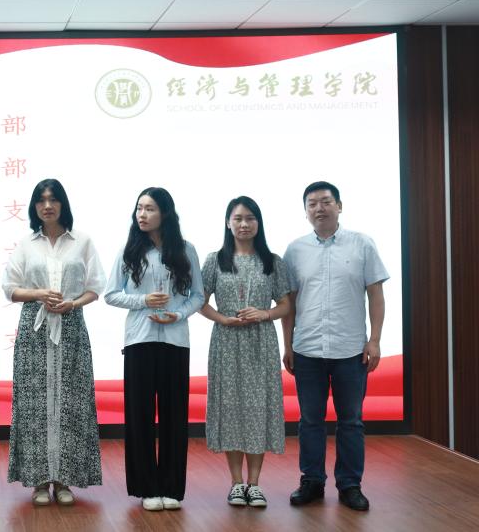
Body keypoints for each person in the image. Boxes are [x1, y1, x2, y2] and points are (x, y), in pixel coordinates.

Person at [282, 181, 387, 512]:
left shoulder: (362, 244)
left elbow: (376, 295)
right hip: (307, 350)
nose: (319, 208)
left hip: (351, 350)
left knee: (351, 421)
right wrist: (288, 345)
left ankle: (350, 484)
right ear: (305, 212)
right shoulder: (295, 250)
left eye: (326, 201)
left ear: (339, 206)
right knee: (310, 420)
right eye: (312, 203)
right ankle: (312, 481)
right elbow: (289, 303)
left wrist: (374, 340)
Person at [3, 179, 105, 506]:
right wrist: (39, 294)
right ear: (34, 207)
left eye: (53, 199)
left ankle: (63, 480)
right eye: (41, 200)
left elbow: (95, 286)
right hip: (34, 329)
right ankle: (38, 480)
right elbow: (10, 288)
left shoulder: (82, 241)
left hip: (71, 326)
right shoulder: (26, 244)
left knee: (71, 402)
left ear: (63, 204)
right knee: (34, 404)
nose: (47, 206)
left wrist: (73, 303)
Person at [105, 187, 204, 512]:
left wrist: (179, 314)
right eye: (139, 208)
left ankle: (172, 488)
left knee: (175, 415)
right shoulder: (129, 251)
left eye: (149, 209)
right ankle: (147, 487)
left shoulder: (186, 250)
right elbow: (111, 294)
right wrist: (143, 300)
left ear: (165, 213)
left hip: (175, 339)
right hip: (140, 340)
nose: (142, 215)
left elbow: (198, 296)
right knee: (140, 416)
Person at [198, 196, 290, 508]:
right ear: (228, 223)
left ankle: (255, 484)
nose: (244, 224)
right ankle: (236, 483)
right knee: (231, 409)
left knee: (258, 408)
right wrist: (222, 318)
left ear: (258, 223)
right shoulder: (215, 260)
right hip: (226, 342)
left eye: (250, 218)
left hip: (260, 342)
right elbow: (199, 301)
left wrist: (265, 314)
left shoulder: (273, 261)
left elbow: (286, 305)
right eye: (237, 218)